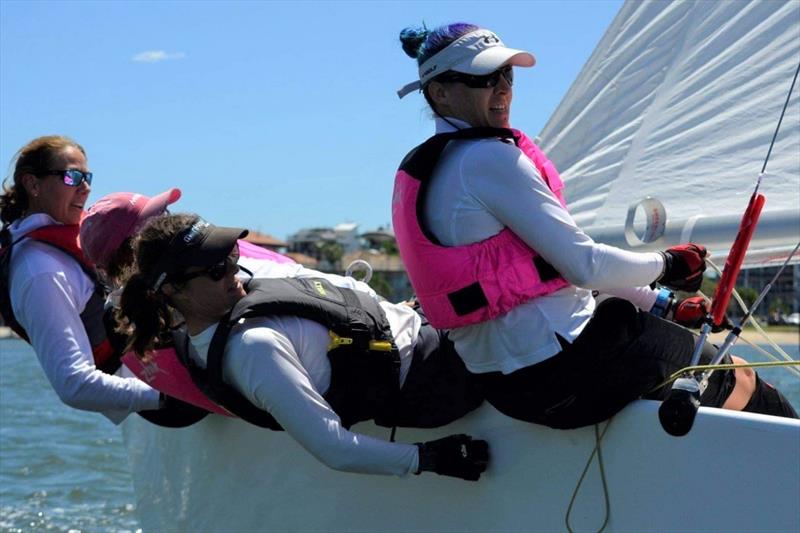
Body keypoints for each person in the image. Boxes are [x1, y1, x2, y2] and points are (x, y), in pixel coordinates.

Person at [392, 23, 797, 429]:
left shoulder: (429, 168)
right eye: (482, 78)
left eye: (507, 75)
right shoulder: (488, 160)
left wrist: (665, 305)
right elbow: (583, 267)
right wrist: (669, 266)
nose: (501, 88)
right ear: (438, 92)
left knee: (657, 339)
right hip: (563, 376)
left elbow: (545, 268)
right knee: (739, 376)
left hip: (504, 386)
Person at [116, 213, 489, 480]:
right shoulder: (252, 350)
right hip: (436, 372)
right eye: (215, 270)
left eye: (231, 256)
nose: (232, 272)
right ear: (171, 290)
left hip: (420, 325)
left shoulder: (227, 301)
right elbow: (334, 448)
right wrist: (430, 459)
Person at [0, 135, 181, 424]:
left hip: (159, 365)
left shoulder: (63, 239)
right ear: (33, 184)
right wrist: (167, 397)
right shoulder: (41, 271)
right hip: (152, 396)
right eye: (72, 177)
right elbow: (74, 384)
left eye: (87, 177)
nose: (86, 188)